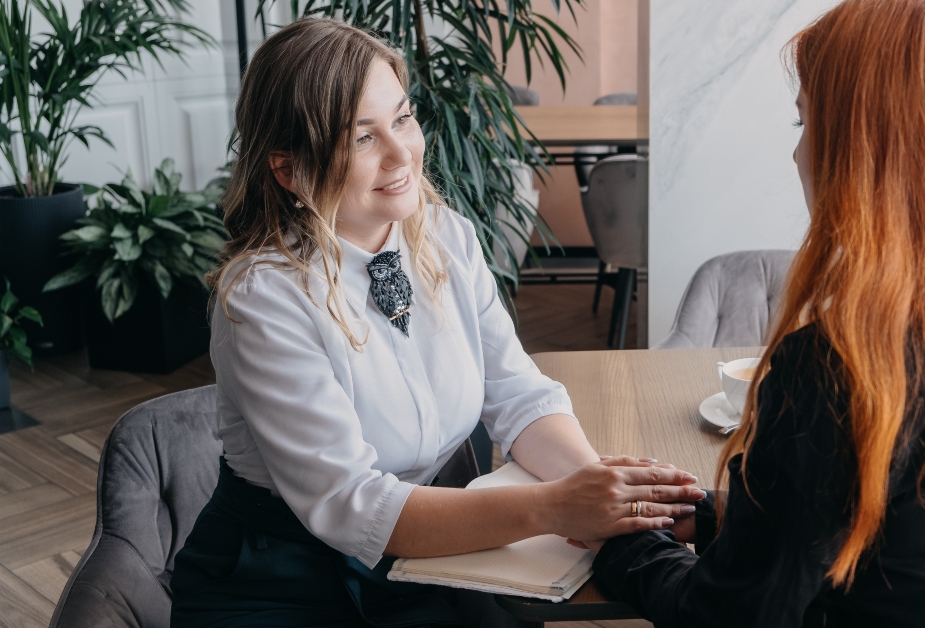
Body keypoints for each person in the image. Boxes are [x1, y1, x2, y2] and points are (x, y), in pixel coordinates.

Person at [577, 0, 925, 626]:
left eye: (806, 123)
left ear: (869, 152)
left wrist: (626, 545)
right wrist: (718, 513)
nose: (798, 155)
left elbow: (725, 615)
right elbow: (919, 548)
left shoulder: (840, 370)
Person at [169, 18, 704, 627]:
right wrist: (556, 508)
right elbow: (352, 505)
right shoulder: (262, 299)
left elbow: (520, 396)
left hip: (434, 547)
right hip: (280, 578)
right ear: (289, 171)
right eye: (362, 138)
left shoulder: (448, 236)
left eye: (402, 118)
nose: (403, 153)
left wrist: (600, 493)